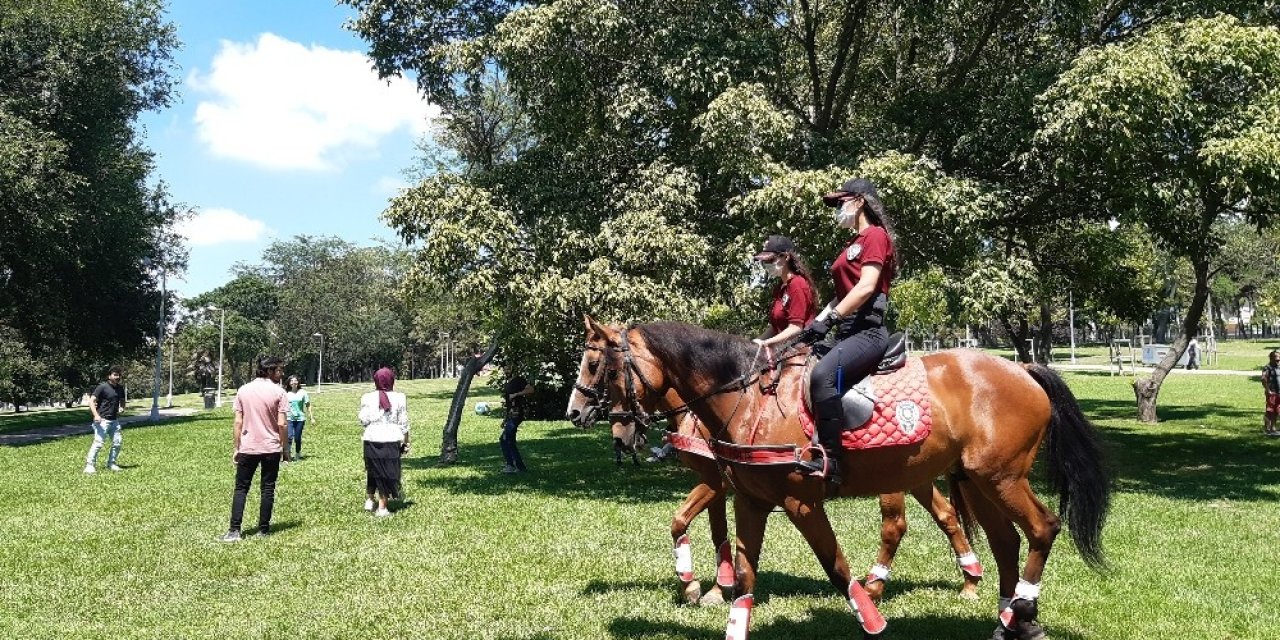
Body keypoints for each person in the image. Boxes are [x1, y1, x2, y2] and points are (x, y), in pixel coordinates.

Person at [796, 178, 897, 482]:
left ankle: (832, 461)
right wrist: (817, 323)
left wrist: (833, 317)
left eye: (841, 202)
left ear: (860, 201)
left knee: (824, 375)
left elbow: (867, 286)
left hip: (867, 332)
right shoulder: (852, 243)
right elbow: (841, 295)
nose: (837, 209)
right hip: (845, 332)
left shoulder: (875, 236)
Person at [218, 357, 289, 542]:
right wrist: (285, 448)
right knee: (268, 489)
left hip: (248, 447)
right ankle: (263, 530)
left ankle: (234, 531)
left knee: (241, 489)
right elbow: (282, 424)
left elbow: (238, 422)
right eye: (279, 371)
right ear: (270, 371)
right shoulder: (279, 392)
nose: (282, 374)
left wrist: (237, 448)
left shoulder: (243, 390)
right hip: (271, 448)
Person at [752, 234, 818, 349]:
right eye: (764, 261)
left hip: (802, 350)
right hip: (784, 350)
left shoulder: (797, 284)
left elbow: (796, 328)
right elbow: (774, 327)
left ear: (786, 257)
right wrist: (755, 343)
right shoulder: (780, 288)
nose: (767, 265)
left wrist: (767, 343)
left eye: (771, 259)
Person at [359, 367, 409, 516]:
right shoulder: (400, 397)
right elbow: (404, 422)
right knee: (387, 473)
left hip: (372, 437)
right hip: (391, 437)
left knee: (373, 469)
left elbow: (363, 419)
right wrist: (406, 441)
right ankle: (382, 508)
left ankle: (369, 499)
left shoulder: (367, 397)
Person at [84, 366, 126, 474]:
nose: (118, 377)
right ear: (109, 376)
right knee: (98, 443)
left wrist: (122, 407)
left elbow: (122, 400)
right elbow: (92, 401)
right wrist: (96, 415)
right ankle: (89, 465)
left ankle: (111, 463)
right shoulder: (102, 387)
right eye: (115, 375)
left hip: (114, 421)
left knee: (117, 443)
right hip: (102, 420)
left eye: (119, 375)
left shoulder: (120, 388)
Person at [500, 372, 534, 473]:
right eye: (504, 367)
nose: (505, 369)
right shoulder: (508, 382)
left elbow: (531, 390)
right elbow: (509, 403)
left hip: (516, 414)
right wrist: (505, 419)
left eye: (508, 366)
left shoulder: (519, 380)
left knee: (505, 439)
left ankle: (512, 465)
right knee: (508, 440)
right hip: (511, 415)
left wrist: (517, 394)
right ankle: (518, 466)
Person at [284, 375, 315, 461]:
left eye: (295, 380)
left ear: (298, 382)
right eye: (292, 381)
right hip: (289, 418)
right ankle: (288, 455)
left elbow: (308, 405)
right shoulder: (286, 393)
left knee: (297, 438)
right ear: (289, 383)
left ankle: (298, 453)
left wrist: (311, 417)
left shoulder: (303, 392)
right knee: (289, 437)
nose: (294, 382)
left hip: (300, 418)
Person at [1264, 350, 1279, 437]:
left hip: (1278, 392)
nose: (1278, 361)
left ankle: (1273, 428)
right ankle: (1267, 428)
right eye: (1276, 359)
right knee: (1270, 410)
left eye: (1279, 359)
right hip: (1272, 393)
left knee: (1276, 410)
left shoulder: (1278, 367)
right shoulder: (1267, 368)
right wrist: (1268, 390)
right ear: (1271, 358)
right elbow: (1263, 379)